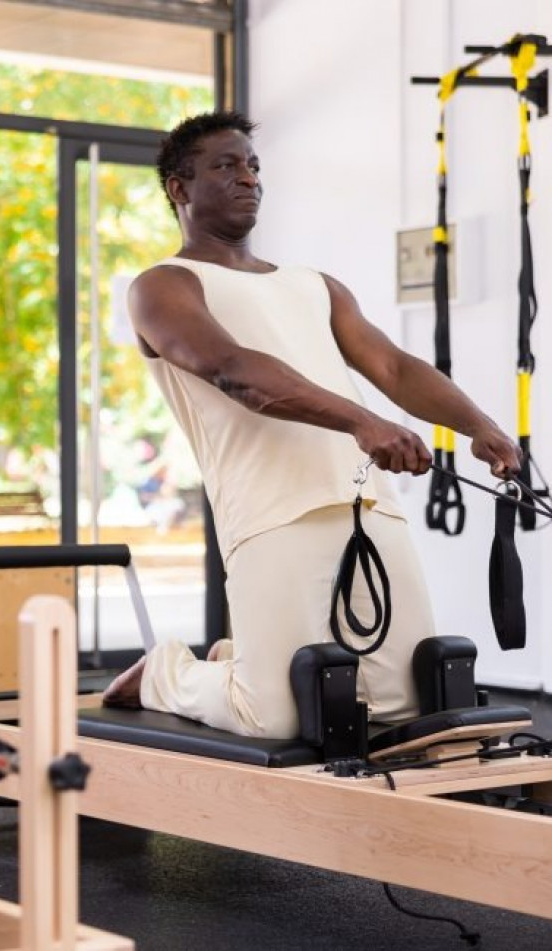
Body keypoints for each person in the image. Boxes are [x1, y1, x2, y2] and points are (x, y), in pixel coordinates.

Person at [101, 111, 521, 739]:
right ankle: (163, 674)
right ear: (179, 188)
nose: (248, 178)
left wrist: (478, 425)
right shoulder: (164, 286)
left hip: (368, 500)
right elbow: (232, 370)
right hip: (269, 510)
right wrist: (362, 422)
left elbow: (394, 366)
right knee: (273, 716)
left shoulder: (313, 285)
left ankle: (237, 657)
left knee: (403, 702)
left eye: (253, 166)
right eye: (226, 165)